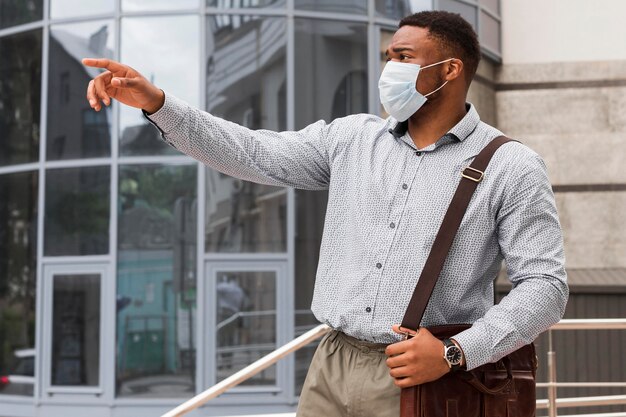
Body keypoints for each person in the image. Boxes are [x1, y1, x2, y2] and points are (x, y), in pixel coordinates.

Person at [83, 10, 568, 417]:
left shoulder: (511, 165)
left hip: (426, 372)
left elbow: (546, 287)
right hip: (332, 361)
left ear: (449, 70)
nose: (388, 69)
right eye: (387, 57)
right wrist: (158, 104)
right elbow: (252, 151)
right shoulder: (352, 138)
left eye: (403, 57)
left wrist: (455, 353)